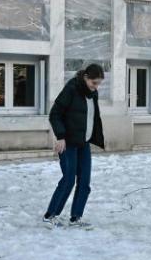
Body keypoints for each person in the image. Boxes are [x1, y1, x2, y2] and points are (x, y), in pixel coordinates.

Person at [44, 64, 105, 229]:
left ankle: (76, 217)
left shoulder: (93, 94)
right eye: (94, 82)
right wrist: (60, 136)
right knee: (69, 179)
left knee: (84, 181)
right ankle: (51, 215)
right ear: (85, 77)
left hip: (83, 143)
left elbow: (92, 116)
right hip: (68, 143)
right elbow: (55, 114)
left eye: (98, 83)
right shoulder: (71, 89)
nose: (96, 86)